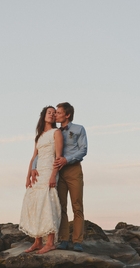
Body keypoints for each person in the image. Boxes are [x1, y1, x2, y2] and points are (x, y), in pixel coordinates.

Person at [30, 102, 88, 252]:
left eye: (59, 112)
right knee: (60, 206)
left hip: (73, 169)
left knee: (77, 205)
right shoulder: (54, 131)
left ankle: (77, 241)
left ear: (67, 115)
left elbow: (83, 150)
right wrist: (34, 168)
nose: (55, 114)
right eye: (54, 112)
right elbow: (43, 151)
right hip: (57, 171)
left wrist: (67, 159)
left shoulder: (78, 129)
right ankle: (62, 239)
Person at [19, 106, 64, 254]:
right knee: (34, 202)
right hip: (38, 172)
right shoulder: (39, 136)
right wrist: (27, 176)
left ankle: (50, 242)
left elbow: (58, 157)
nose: (51, 115)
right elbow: (33, 157)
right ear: (43, 116)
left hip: (49, 170)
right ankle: (37, 241)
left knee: (47, 202)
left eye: (53, 113)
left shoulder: (56, 133)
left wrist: (53, 175)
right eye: (49, 113)